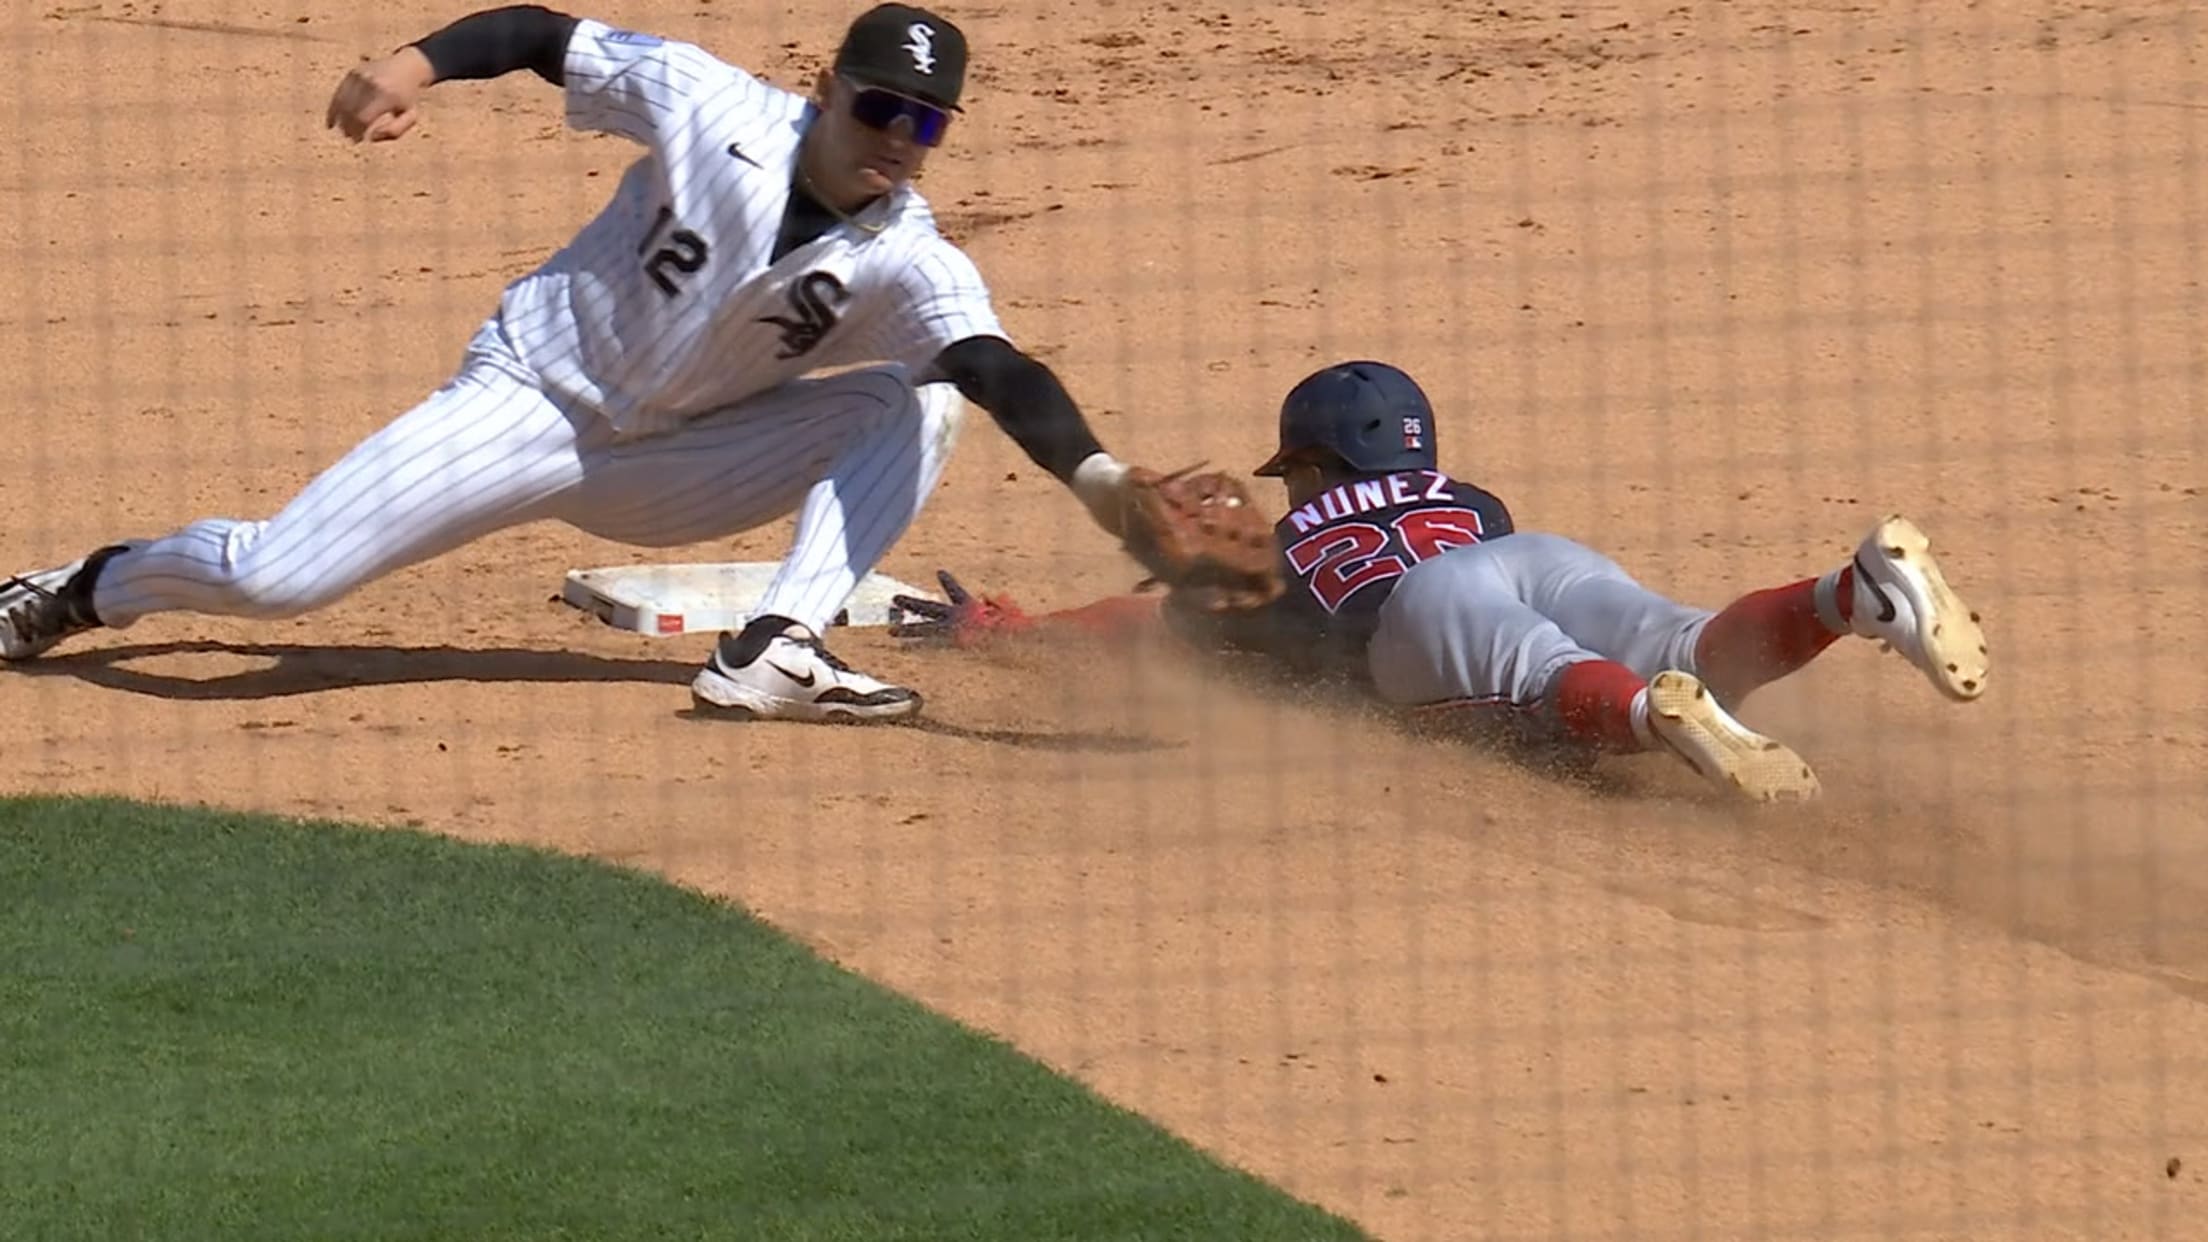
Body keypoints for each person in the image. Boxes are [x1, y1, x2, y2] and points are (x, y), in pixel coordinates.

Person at [0, 3, 1157, 723]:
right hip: (525, 403)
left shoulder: (910, 253)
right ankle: (77, 589)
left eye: (929, 124)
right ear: (828, 88)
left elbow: (998, 366)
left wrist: (1105, 484)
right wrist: (412, 65)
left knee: (923, 397)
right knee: (273, 581)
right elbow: (543, 38)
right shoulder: (712, 105)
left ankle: (774, 648)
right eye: (882, 108)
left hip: (679, 465)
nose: (899, 140)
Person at [887, 360, 1992, 801]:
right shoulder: (1475, 500)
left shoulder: (1281, 553)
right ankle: (1846, 596)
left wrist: (1011, 627)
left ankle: (1654, 719)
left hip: (1415, 621)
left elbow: (1142, 629)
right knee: (1692, 642)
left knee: (1552, 684)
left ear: (1313, 466)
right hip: (1539, 555)